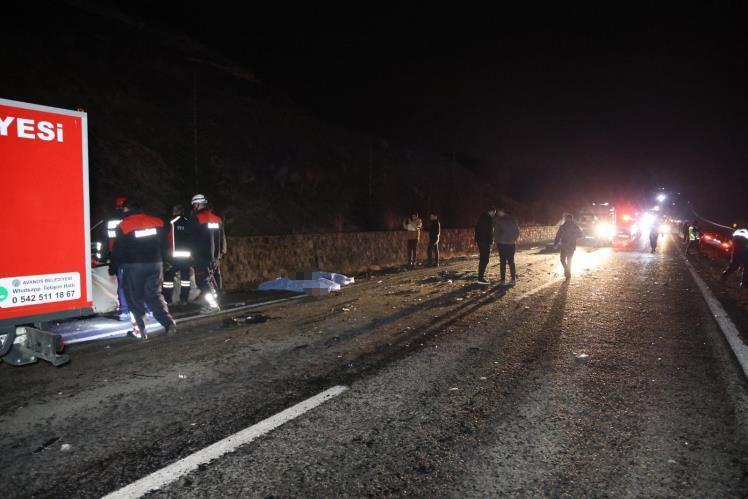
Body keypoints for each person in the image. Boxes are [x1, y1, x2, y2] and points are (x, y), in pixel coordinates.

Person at [109, 198, 177, 339]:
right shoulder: (157, 222)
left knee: (134, 299)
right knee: (154, 295)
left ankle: (140, 331)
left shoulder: (123, 225)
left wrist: (113, 267)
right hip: (155, 264)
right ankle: (168, 323)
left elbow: (118, 250)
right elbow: (165, 244)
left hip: (134, 266)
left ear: (126, 209)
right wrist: (166, 260)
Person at [189, 194, 227, 312]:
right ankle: (216, 301)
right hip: (215, 257)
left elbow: (191, 238)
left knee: (202, 282)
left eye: (194, 205)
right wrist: (220, 254)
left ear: (198, 204)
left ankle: (213, 305)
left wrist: (191, 254)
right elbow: (222, 238)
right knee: (214, 281)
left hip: (201, 256)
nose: (194, 207)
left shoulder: (196, 219)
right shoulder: (217, 219)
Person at [99, 196, 130, 321]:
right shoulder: (130, 218)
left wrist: (103, 256)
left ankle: (124, 311)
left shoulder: (111, 219)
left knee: (122, 284)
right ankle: (145, 309)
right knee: (137, 283)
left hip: (116, 255)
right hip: (131, 255)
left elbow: (106, 240)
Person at [163, 204, 193, 305]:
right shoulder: (188, 222)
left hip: (173, 257)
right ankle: (184, 299)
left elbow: (166, 239)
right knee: (185, 279)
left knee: (168, 279)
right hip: (186, 257)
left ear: (175, 211)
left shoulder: (171, 222)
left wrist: (164, 256)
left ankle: (168, 300)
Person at [493, 208, 520, 284]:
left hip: (502, 244)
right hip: (511, 244)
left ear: (502, 212)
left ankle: (502, 280)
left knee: (502, 262)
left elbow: (495, 233)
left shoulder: (499, 221)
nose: (498, 213)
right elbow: (517, 232)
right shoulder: (513, 220)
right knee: (511, 261)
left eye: (499, 212)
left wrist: (496, 241)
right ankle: (513, 279)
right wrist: (513, 239)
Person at [554, 213, 583, 279]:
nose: (567, 220)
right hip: (567, 245)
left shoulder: (573, 227)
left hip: (567, 245)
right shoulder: (564, 227)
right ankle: (567, 271)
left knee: (564, 260)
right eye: (567, 219)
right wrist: (556, 243)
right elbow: (558, 235)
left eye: (567, 219)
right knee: (566, 260)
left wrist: (556, 243)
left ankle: (567, 272)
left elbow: (580, 235)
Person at [475, 207, 497, 284]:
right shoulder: (488, 218)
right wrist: (491, 241)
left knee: (482, 258)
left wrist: (477, 239)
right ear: (492, 211)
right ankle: (480, 278)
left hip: (480, 240)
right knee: (485, 259)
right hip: (485, 241)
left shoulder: (481, 217)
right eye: (494, 213)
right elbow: (489, 231)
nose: (494, 214)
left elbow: (477, 228)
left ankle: (480, 277)